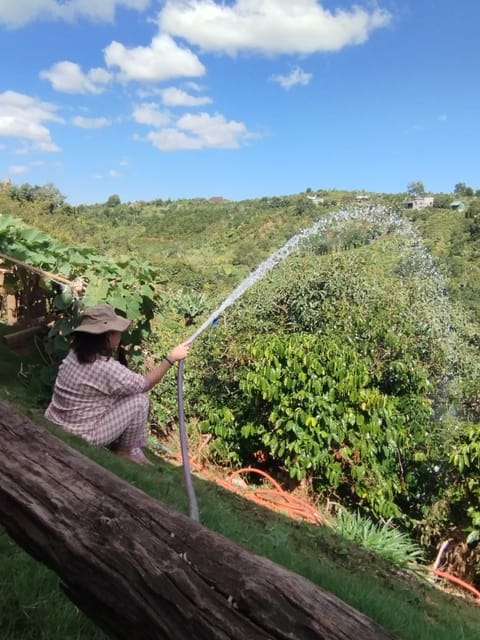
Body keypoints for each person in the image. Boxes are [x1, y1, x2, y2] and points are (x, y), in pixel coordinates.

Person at [45, 303, 191, 464]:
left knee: (121, 396)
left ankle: (125, 446)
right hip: (84, 434)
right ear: (108, 336)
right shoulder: (106, 368)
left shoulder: (75, 353)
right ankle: (125, 451)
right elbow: (145, 384)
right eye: (118, 332)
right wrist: (171, 358)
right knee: (139, 400)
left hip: (55, 420)